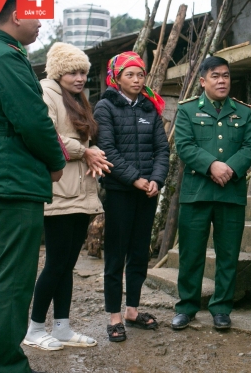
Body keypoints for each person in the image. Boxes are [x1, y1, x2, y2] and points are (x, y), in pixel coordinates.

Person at [0, 0, 66, 373]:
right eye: (37, 13)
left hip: (3, 171)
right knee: (15, 279)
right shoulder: (5, 56)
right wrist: (55, 160)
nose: (42, 22)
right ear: (18, 15)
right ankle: (6, 364)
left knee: (4, 275)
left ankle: (0, 360)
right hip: (13, 174)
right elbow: (31, 119)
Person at [22, 42, 112, 351]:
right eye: (73, 72)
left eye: (84, 72)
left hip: (81, 192)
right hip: (59, 190)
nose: (80, 78)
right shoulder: (46, 93)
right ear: (59, 72)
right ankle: (34, 328)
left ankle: (61, 327)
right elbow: (46, 134)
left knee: (67, 263)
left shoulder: (76, 98)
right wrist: (84, 150)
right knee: (56, 263)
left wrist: (90, 151)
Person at [170, 57, 251, 330]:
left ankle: (221, 308)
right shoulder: (186, 110)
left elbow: (250, 145)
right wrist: (211, 165)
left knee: (228, 254)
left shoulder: (243, 112)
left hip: (230, 193)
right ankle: (186, 307)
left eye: (226, 76)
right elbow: (183, 145)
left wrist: (230, 168)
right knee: (191, 253)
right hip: (196, 193)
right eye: (216, 76)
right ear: (203, 81)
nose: (222, 81)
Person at [94, 51, 170, 342]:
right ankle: (114, 316)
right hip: (119, 192)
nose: (137, 80)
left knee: (139, 253)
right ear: (116, 77)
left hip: (147, 193)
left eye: (140, 75)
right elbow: (108, 151)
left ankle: (132, 310)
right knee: (115, 254)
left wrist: (156, 180)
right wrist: (136, 179)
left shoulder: (150, 109)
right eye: (130, 74)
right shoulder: (105, 107)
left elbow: (162, 150)